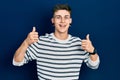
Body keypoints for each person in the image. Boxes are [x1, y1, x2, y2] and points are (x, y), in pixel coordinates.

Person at [13, 4, 100, 80]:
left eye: (66, 17)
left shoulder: (79, 43)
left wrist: (92, 51)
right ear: (53, 20)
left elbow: (94, 65)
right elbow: (17, 62)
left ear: (70, 21)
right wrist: (26, 43)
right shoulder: (40, 42)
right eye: (58, 17)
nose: (62, 21)